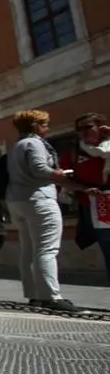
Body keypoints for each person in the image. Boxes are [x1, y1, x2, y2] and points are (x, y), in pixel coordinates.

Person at [5, 110, 101, 312]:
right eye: (45, 124)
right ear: (35, 125)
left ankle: (34, 295)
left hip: (17, 200)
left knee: (28, 250)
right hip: (39, 199)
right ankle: (51, 297)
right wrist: (58, 173)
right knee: (47, 249)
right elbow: (40, 169)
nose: (47, 128)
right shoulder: (35, 143)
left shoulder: (16, 146)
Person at [59, 112, 110, 280]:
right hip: (98, 206)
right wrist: (82, 189)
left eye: (88, 127)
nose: (83, 132)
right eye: (79, 129)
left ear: (100, 127)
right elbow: (61, 178)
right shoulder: (74, 152)